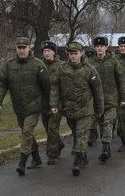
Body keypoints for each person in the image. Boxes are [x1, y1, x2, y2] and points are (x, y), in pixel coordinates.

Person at [0, 37, 50, 176]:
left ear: (29, 48)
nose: (22, 50)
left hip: (34, 106)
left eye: (24, 48)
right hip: (19, 108)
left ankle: (22, 163)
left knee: (27, 132)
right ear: (16, 49)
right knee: (27, 134)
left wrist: (49, 105)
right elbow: (1, 83)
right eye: (19, 48)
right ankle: (36, 158)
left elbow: (47, 86)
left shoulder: (38, 65)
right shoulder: (9, 65)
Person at [50, 41, 104, 176]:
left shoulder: (89, 69)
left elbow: (98, 90)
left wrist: (99, 108)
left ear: (81, 53)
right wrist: (54, 104)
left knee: (81, 135)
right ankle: (83, 158)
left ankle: (77, 162)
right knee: (76, 135)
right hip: (69, 109)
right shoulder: (62, 68)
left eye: (75, 53)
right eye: (71, 54)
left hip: (85, 110)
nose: (73, 56)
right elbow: (55, 87)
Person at [88, 36, 125, 162]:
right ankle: (107, 149)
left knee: (108, 123)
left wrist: (123, 97)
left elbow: (121, 80)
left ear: (106, 47)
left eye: (102, 46)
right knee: (101, 125)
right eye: (97, 46)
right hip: (96, 101)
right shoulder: (90, 62)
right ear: (95, 48)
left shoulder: (114, 61)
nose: (99, 48)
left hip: (111, 99)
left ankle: (104, 147)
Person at [40, 40, 65, 165]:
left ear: (54, 52)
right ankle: (59, 144)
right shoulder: (39, 66)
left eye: (48, 51)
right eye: (44, 51)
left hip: (58, 103)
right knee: (47, 128)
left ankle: (52, 154)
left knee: (52, 128)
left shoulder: (61, 65)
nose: (46, 53)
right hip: (44, 103)